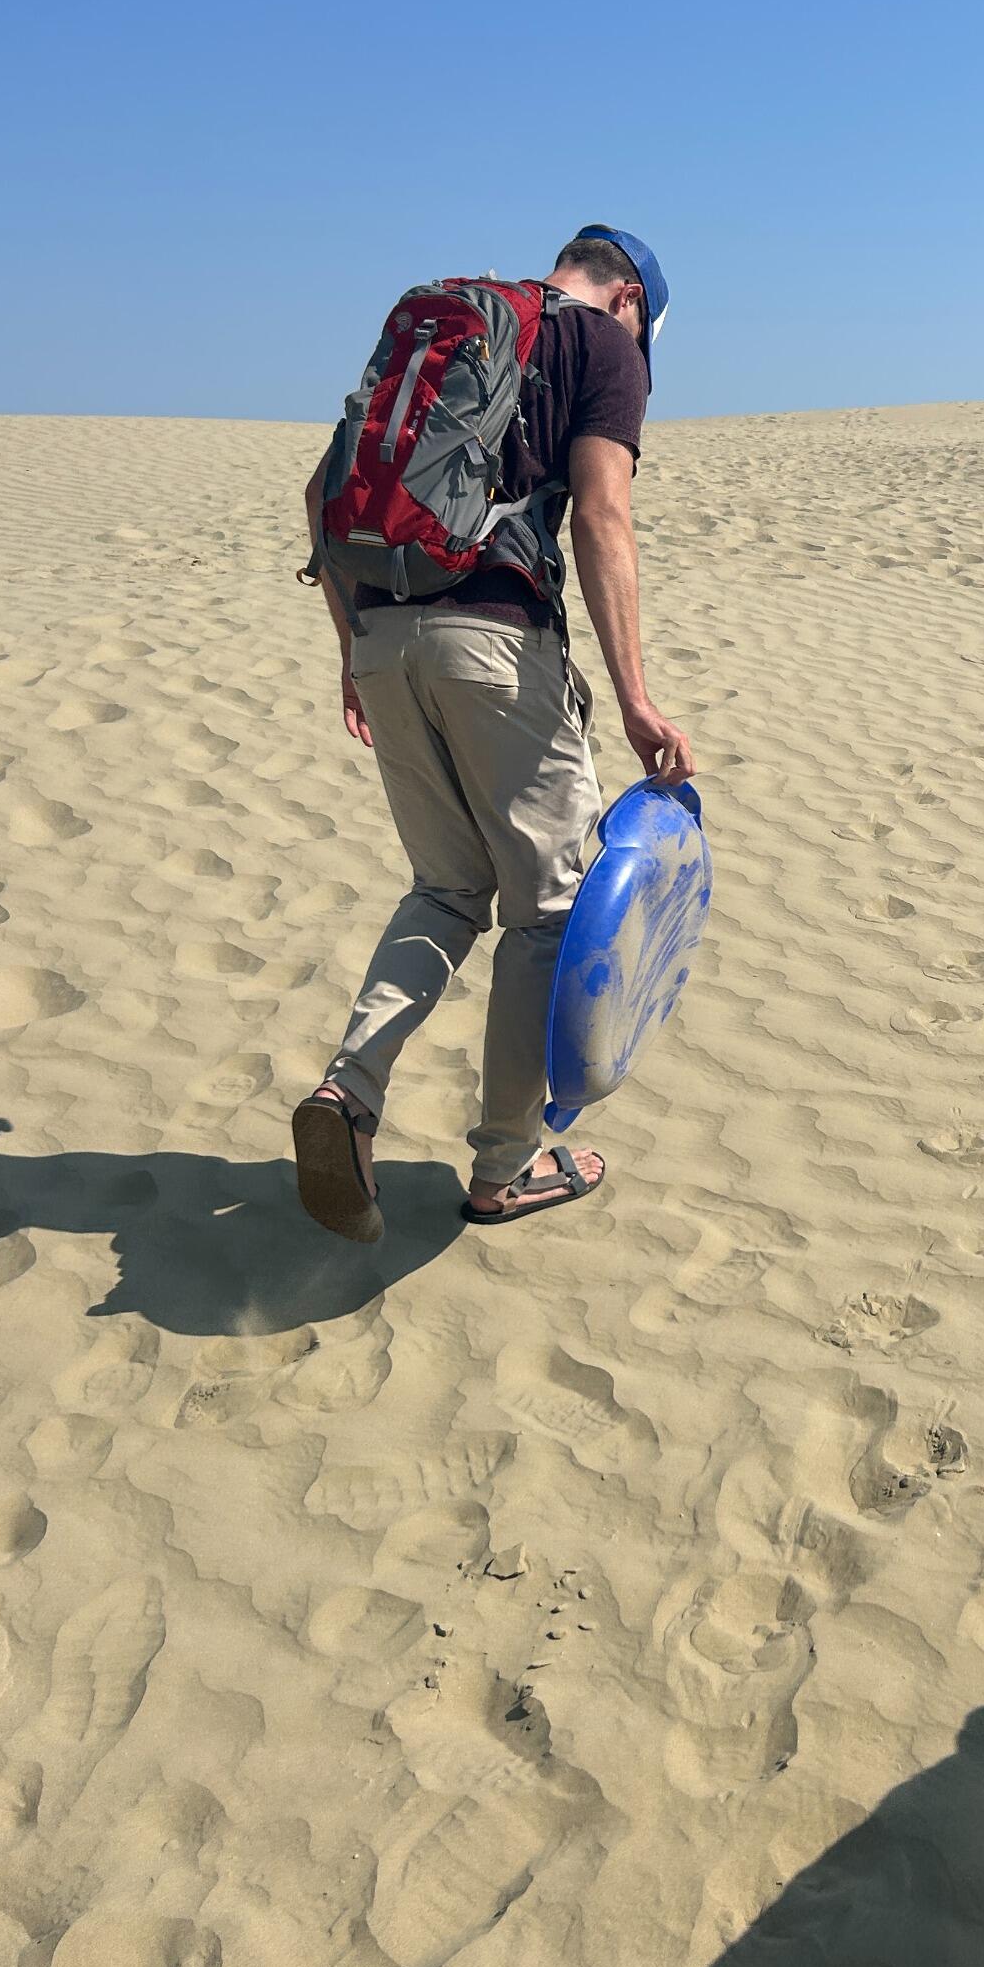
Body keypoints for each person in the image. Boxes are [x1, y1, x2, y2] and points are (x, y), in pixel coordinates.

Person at [292, 226, 694, 1242]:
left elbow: (318, 494)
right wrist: (637, 697)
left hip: (382, 630)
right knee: (549, 911)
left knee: (444, 886)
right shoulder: (602, 349)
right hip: (496, 644)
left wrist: (354, 652)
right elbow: (602, 516)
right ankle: (503, 1171)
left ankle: (349, 1091)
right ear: (630, 302)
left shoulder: (449, 323)